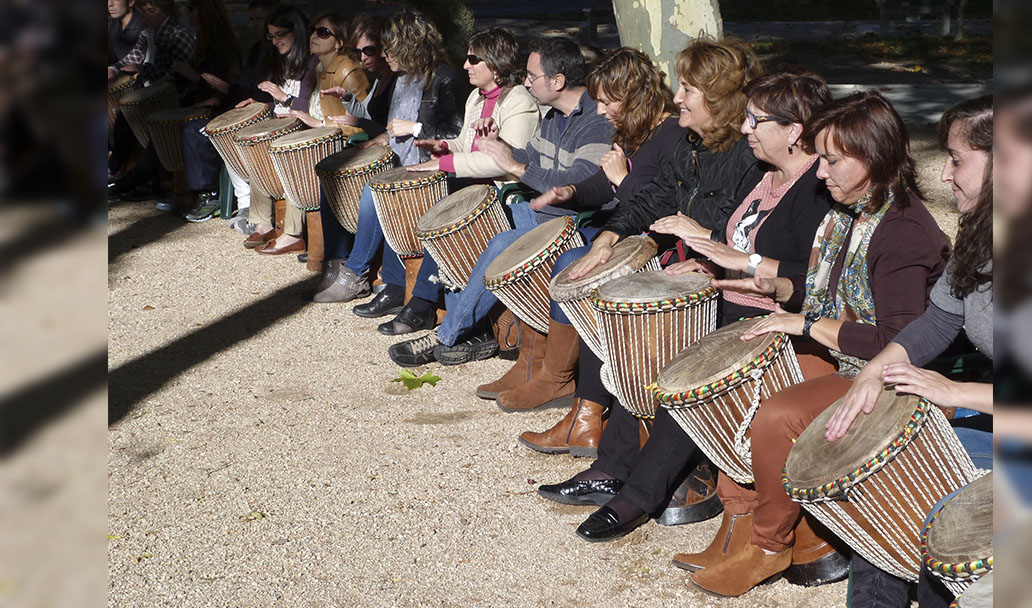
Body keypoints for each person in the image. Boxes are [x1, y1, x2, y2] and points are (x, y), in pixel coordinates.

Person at [534, 67, 835, 542]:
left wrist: (728, 263)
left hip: (763, 314)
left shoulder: (814, 190)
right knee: (633, 331)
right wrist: (711, 263)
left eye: (757, 122)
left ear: (794, 132)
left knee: (680, 372)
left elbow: (805, 279)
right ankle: (612, 463)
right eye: (748, 119)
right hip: (727, 291)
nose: (745, 129)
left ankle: (637, 496)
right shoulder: (765, 174)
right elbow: (725, 234)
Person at [680, 90, 949, 597]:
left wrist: (804, 326)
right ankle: (753, 523)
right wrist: (774, 287)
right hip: (844, 353)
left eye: (831, 161)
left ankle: (769, 542)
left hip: (890, 377)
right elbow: (831, 291)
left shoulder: (903, 232)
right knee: (742, 385)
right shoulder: (847, 213)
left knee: (779, 414)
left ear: (873, 157)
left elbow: (900, 340)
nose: (820, 173)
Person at [823, 95, 993, 608]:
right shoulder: (983, 233)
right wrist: (876, 370)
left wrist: (956, 390)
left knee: (934, 497)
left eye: (957, 159)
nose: (944, 175)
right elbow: (940, 318)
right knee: (890, 474)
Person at [482, 46, 686, 425]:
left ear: (635, 98)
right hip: (622, 233)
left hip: (659, 252)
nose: (600, 111)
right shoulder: (635, 133)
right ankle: (547, 372)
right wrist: (570, 192)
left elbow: (659, 206)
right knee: (558, 258)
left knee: (571, 263)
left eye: (608, 102)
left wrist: (621, 182)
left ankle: (572, 393)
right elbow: (600, 184)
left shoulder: (670, 137)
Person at [383, 35, 614, 367]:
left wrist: (512, 164)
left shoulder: (594, 122)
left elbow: (576, 183)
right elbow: (526, 157)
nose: (527, 82)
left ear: (558, 81)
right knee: (475, 230)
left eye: (532, 76)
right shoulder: (553, 117)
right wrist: (498, 145)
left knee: (500, 243)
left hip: (573, 224)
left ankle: (446, 335)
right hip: (544, 214)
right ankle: (460, 323)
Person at [349, 25, 541, 326]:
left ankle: (422, 304)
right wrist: (443, 146)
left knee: (436, 211)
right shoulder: (477, 98)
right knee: (401, 195)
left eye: (474, 59)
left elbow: (504, 164)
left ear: (496, 62)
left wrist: (443, 164)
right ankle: (397, 286)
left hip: (500, 193)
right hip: (471, 182)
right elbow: (465, 143)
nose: (466, 65)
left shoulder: (519, 103)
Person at [310, 8, 468, 301]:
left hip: (433, 169)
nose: (384, 54)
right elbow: (386, 123)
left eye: (387, 48)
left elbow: (458, 135)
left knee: (375, 190)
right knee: (336, 175)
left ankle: (356, 274)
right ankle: (335, 263)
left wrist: (417, 127)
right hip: (402, 161)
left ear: (408, 46)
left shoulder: (444, 78)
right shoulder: (402, 78)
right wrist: (383, 135)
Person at [235, 5, 317, 255]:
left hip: (307, 130)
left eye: (281, 34)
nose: (275, 41)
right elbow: (280, 103)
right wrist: (264, 104)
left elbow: (308, 107)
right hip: (283, 125)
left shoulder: (311, 62)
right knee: (258, 149)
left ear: (298, 32)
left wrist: (282, 97)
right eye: (271, 36)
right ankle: (262, 222)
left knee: (290, 156)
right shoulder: (277, 59)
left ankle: (292, 233)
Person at [176, 0, 243, 222]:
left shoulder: (223, 44)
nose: (188, 12)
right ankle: (173, 187)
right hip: (208, 104)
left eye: (192, 8)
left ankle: (211, 192)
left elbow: (232, 87)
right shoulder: (203, 39)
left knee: (193, 131)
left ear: (205, 12)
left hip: (225, 112)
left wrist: (205, 90)